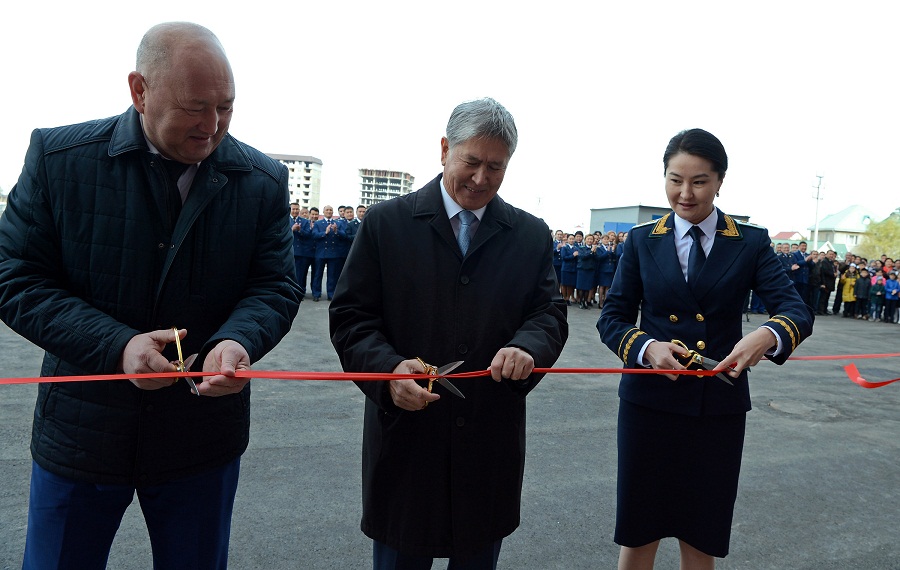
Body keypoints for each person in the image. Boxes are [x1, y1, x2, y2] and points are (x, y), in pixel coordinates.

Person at [0, 22, 301, 569]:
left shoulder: (261, 179)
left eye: (227, 108)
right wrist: (117, 346)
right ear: (140, 90)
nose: (212, 127)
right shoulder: (60, 158)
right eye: (195, 107)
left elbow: (276, 285)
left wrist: (239, 340)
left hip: (201, 438)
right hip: (83, 433)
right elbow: (14, 276)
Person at [329, 97, 568, 569]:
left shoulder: (529, 234)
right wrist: (388, 370)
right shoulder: (386, 225)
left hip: (488, 438)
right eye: (471, 162)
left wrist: (527, 347)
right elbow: (352, 316)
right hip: (406, 440)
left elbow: (549, 314)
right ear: (444, 150)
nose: (481, 179)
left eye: (495, 167)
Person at [596, 128, 812, 569]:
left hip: (717, 407)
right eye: (675, 180)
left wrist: (766, 335)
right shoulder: (642, 240)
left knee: (702, 532)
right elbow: (612, 318)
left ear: (720, 181)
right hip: (649, 403)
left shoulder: (749, 242)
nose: (685, 193)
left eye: (699, 181)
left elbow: (795, 310)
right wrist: (647, 346)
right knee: (639, 530)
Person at [311, 204, 345, 301]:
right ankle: (316, 294)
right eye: (327, 210)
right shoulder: (318, 223)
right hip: (321, 252)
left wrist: (336, 231)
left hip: (333, 253)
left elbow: (344, 235)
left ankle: (331, 294)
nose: (329, 212)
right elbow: (314, 235)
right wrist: (324, 233)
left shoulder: (338, 223)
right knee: (318, 274)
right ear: (324, 212)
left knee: (332, 275)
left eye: (331, 210)